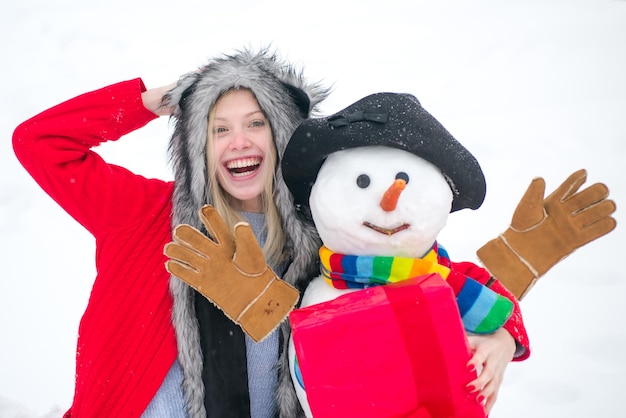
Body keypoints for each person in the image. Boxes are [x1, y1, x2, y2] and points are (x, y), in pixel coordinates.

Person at [13, 47, 528, 417]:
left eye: (256, 122)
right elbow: (39, 143)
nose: (239, 141)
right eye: (218, 127)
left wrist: (503, 334)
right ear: (197, 144)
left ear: (282, 134)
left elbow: (438, 275)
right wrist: (157, 100)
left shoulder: (327, 230)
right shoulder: (144, 214)